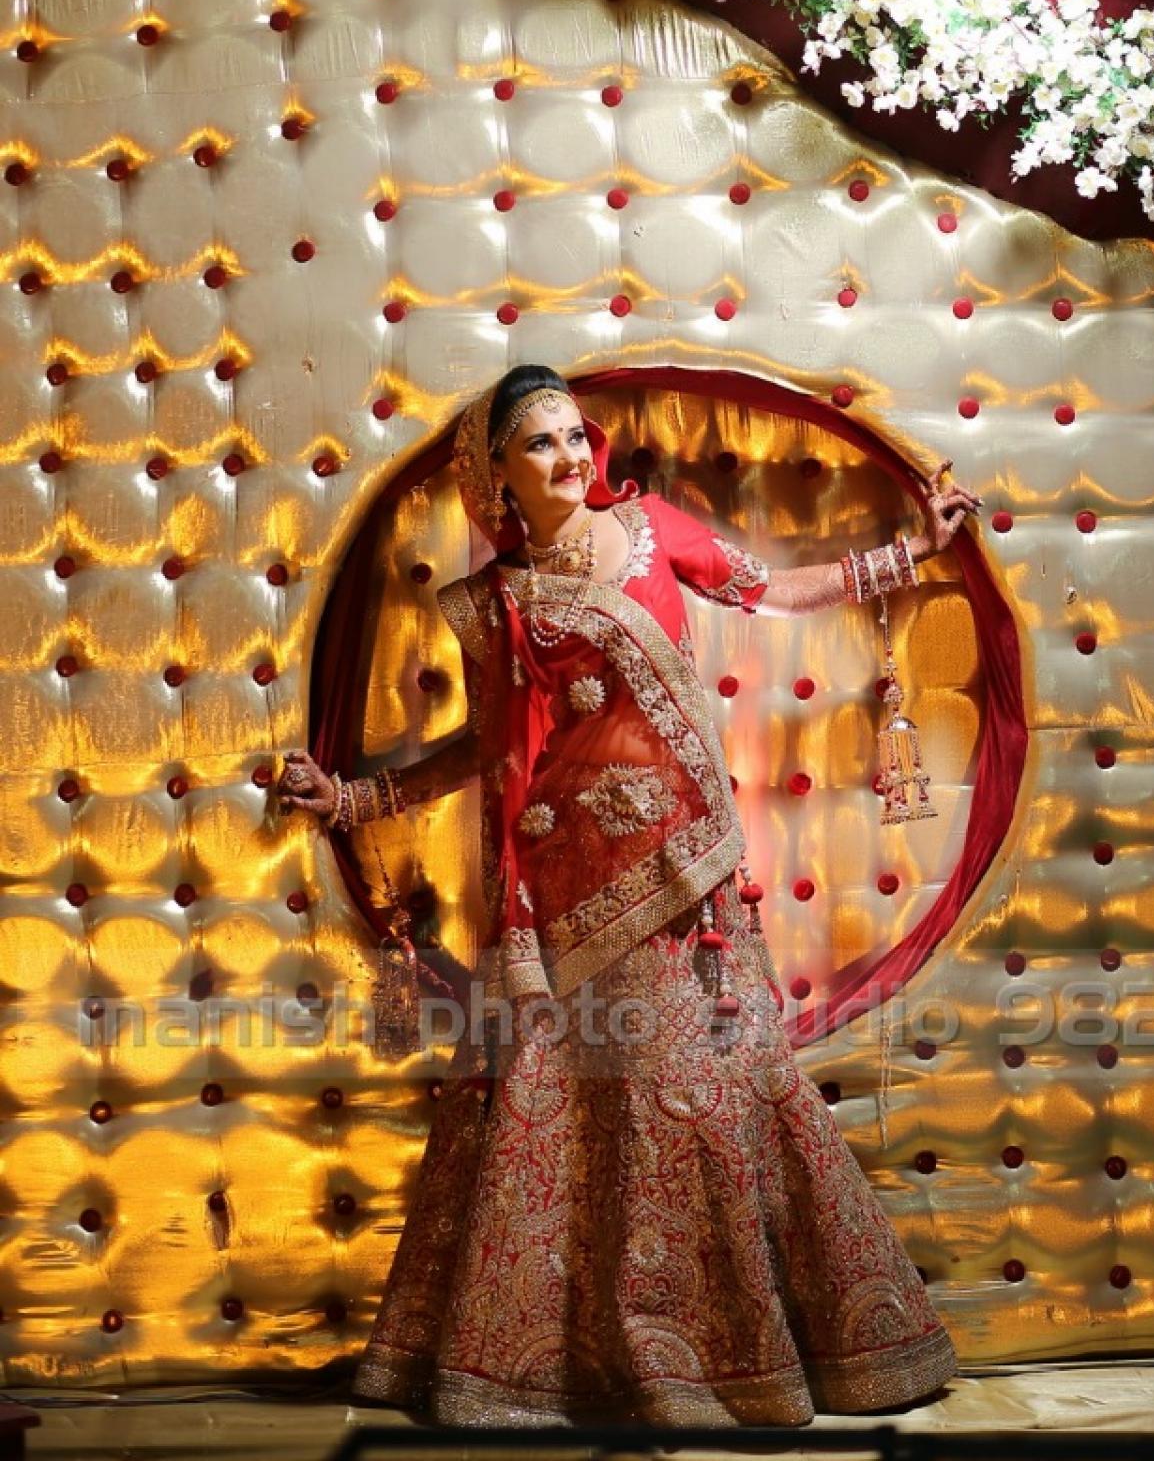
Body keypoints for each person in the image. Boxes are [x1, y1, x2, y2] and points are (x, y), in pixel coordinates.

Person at [278, 363, 981, 1430]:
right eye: (540, 443)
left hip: (688, 868)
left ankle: (745, 1357)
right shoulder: (498, 603)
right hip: (567, 885)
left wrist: (910, 551)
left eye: (575, 436)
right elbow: (489, 748)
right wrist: (358, 796)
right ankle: (574, 1364)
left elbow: (770, 588)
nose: (568, 457)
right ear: (498, 476)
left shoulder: (651, 530)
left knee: (711, 1096)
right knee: (585, 1112)